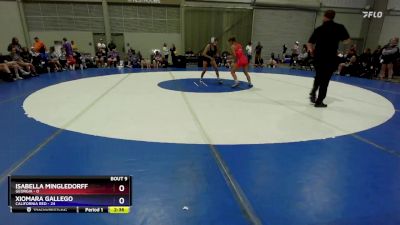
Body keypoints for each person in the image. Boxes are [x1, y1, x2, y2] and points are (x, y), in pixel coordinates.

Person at [307, 10, 351, 107]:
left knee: (318, 76)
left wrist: (311, 51)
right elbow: (347, 41)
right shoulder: (339, 27)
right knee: (325, 79)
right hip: (330, 57)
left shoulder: (319, 29)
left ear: (324, 16)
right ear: (333, 17)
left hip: (318, 56)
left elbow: (309, 43)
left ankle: (313, 91)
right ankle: (319, 101)